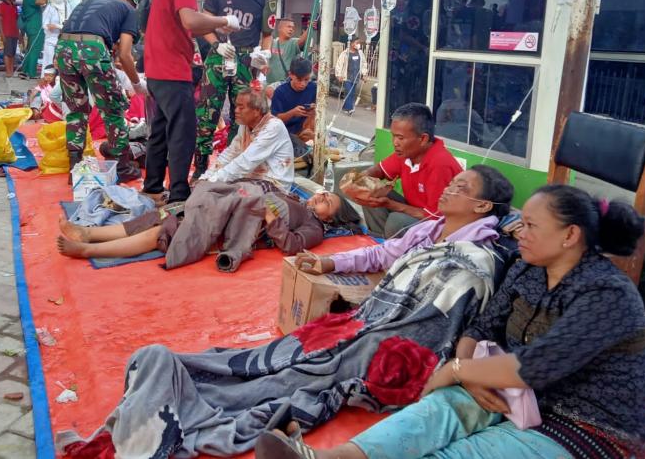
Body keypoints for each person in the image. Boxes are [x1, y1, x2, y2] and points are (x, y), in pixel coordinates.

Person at [56, 166, 514, 458]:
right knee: (280, 349)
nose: (450, 186)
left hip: (387, 333)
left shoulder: (476, 258)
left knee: (304, 368)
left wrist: (285, 229)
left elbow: (436, 320)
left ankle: (174, 397)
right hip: (365, 318)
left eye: (461, 186)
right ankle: (99, 243)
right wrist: (331, 262)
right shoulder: (430, 228)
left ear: (481, 207)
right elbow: (382, 254)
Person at [259, 185, 645, 459]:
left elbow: (535, 366)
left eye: (530, 225)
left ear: (570, 235)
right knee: (436, 411)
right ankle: (334, 458)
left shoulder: (606, 293)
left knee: (458, 452)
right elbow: (482, 328)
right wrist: (465, 373)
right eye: (520, 222)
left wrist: (458, 370)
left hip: (584, 428)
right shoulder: (527, 269)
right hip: (515, 396)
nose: (518, 232)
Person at [141, 0, 241, 205]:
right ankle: (179, 196)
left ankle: (152, 188)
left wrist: (214, 36)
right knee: (183, 133)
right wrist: (223, 22)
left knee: (160, 131)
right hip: (172, 69)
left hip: (159, 68)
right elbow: (190, 20)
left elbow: (185, 25)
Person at [57, 188, 358, 266]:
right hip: (232, 206)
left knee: (165, 231)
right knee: (162, 214)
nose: (318, 197)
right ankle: (90, 232)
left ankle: (87, 249)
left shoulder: (314, 228)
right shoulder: (296, 199)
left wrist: (271, 219)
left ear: (329, 218)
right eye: (322, 193)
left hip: (238, 226)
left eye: (326, 202)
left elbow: (291, 245)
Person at [192, 0, 274, 181]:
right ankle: (200, 167)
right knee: (208, 113)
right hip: (220, 54)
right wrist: (216, 44)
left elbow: (267, 34)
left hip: (247, 59)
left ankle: (232, 167)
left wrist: (264, 55)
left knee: (243, 115)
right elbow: (203, 22)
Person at [55, 0, 147, 182]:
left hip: (62, 48)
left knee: (76, 110)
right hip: (92, 49)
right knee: (113, 110)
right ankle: (122, 167)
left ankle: (75, 168)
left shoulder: (90, 2)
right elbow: (124, 53)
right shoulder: (128, 9)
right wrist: (137, 83)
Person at [340, 103, 462, 238]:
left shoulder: (440, 164)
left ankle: (394, 253)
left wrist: (391, 204)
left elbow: (435, 217)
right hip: (417, 211)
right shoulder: (407, 154)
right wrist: (358, 179)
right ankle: (379, 241)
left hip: (443, 226)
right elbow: (379, 170)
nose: (395, 142)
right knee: (370, 193)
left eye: (400, 138)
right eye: (394, 136)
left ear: (423, 139)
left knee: (397, 220)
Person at [200, 87, 295, 192]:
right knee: (216, 191)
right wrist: (206, 177)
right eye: (236, 106)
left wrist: (212, 181)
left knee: (225, 196)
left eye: (241, 108)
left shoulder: (273, 127)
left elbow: (245, 162)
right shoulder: (245, 125)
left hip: (273, 184)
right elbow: (230, 153)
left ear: (256, 111)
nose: (236, 110)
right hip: (252, 179)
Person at [271, 57, 317, 142]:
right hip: (284, 133)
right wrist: (292, 113)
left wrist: (314, 110)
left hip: (304, 130)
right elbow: (275, 119)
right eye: (299, 79)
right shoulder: (280, 92)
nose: (303, 84)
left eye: (306, 79)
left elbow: (320, 110)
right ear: (291, 75)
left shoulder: (313, 88)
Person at [265, 17, 312, 87]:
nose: (291, 29)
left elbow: (301, 41)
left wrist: (309, 28)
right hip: (269, 83)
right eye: (288, 27)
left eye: (293, 28)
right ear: (280, 28)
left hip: (285, 84)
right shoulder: (272, 42)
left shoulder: (293, 42)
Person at [19, 0, 48, 78]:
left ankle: (25, 70)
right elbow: (43, 1)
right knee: (35, 50)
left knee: (30, 49)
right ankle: (31, 73)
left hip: (32, 27)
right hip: (35, 27)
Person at [335, 38, 368, 114]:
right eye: (357, 43)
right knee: (349, 92)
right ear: (352, 43)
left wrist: (364, 74)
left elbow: (363, 64)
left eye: (359, 43)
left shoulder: (360, 53)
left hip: (356, 77)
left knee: (352, 93)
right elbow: (339, 64)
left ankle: (345, 107)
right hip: (347, 77)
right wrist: (339, 75)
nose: (359, 44)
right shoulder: (345, 53)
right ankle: (350, 109)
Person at [0, 0, 20, 77]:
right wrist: (2, 34)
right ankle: (8, 71)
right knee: (7, 53)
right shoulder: (1, 6)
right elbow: (0, 21)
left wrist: (19, 34)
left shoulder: (14, 7)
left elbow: (16, 20)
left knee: (13, 53)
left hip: (14, 33)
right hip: (6, 32)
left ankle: (11, 70)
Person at [41, 0, 66, 74]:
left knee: (62, 62)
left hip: (64, 40)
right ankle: (47, 82)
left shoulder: (67, 8)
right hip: (51, 38)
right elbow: (45, 24)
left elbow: (68, 24)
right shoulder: (50, 8)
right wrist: (50, 26)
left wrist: (56, 26)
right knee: (49, 61)